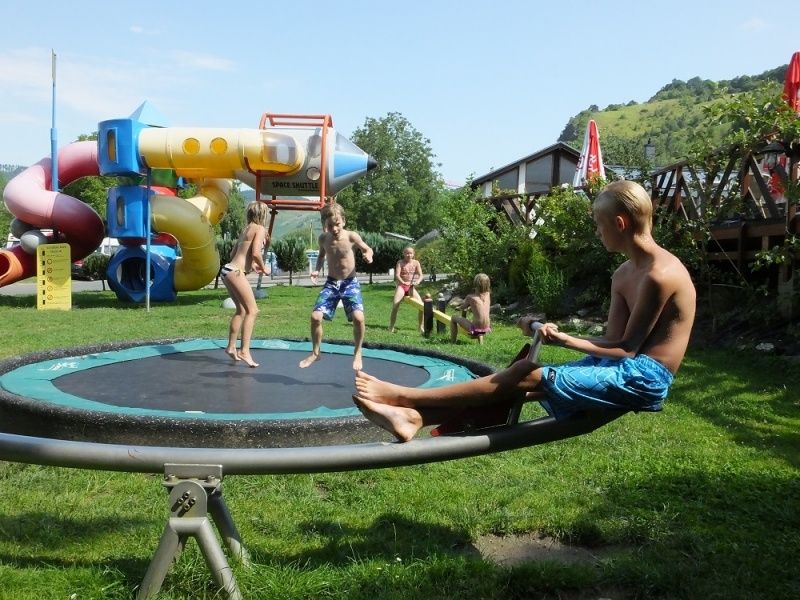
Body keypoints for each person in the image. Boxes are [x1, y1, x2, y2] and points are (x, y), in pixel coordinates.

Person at [353, 180, 696, 442]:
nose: (597, 231)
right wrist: (554, 333)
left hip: (646, 378)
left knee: (524, 375)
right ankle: (413, 418)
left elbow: (627, 349)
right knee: (518, 378)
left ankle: (403, 397)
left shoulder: (658, 275)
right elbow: (611, 341)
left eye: (598, 223)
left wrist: (564, 341)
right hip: (620, 365)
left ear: (619, 223)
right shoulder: (623, 274)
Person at [299, 202, 374, 370]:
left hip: (350, 283)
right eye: (330, 225)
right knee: (315, 317)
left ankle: (358, 352)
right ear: (325, 225)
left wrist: (368, 255)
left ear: (344, 221)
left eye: (337, 224)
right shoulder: (323, 239)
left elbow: (367, 249)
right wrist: (316, 271)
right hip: (332, 283)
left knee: (359, 318)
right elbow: (321, 257)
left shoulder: (351, 236)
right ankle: (316, 352)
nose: (334, 228)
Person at [221, 201, 271, 368]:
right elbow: (256, 252)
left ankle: (230, 347)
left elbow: (233, 253)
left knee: (241, 310)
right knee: (253, 310)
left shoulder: (246, 229)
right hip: (236, 272)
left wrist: (252, 266)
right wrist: (263, 268)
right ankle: (244, 351)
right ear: (263, 215)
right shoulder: (260, 229)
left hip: (227, 270)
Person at [388, 246, 425, 333]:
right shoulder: (400, 262)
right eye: (407, 253)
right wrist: (403, 282)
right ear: (404, 254)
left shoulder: (416, 263)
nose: (408, 255)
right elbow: (397, 275)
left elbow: (421, 275)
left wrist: (417, 281)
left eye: (410, 253)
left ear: (413, 254)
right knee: (395, 305)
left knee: (422, 306)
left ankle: (420, 327)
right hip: (401, 286)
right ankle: (391, 327)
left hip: (411, 287)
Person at [449, 273, 492, 342]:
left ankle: (452, 342)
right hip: (487, 328)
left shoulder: (470, 297)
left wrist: (455, 307)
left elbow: (462, 307)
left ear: (475, 284)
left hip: (474, 329)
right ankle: (480, 339)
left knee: (453, 318)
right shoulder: (488, 294)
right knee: (479, 320)